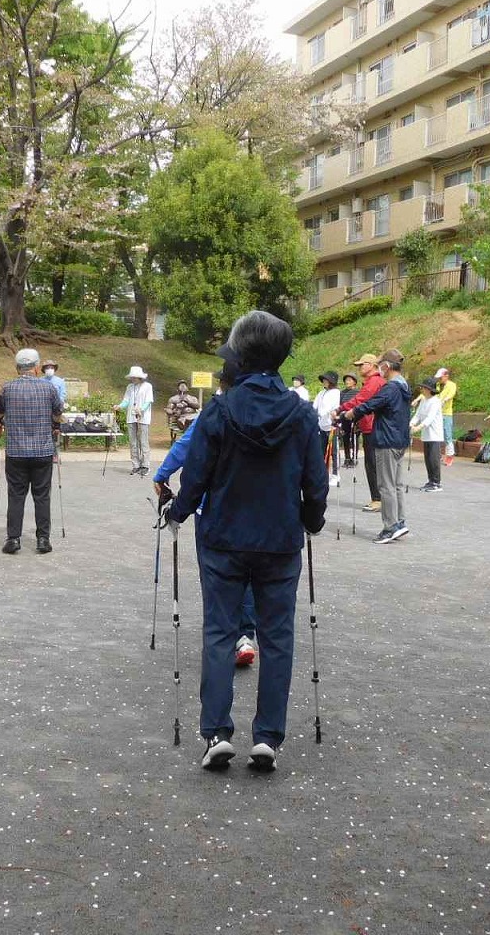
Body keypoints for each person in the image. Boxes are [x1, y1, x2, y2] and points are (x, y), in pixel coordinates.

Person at [166, 310, 327, 773]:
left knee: (219, 631)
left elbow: (196, 477)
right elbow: (315, 482)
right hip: (279, 538)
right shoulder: (300, 413)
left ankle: (216, 732)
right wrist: (312, 521)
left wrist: (176, 511)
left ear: (239, 356)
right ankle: (268, 738)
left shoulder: (219, 409)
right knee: (278, 637)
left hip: (222, 537)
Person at [154, 367, 258, 668]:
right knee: (248, 575)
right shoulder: (269, 413)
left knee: (215, 573)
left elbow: (185, 447)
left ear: (222, 387)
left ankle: (221, 635)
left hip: (213, 508)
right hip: (254, 507)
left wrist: (162, 475)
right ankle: (245, 636)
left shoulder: (213, 414)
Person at [0, 348, 64, 555]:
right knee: (42, 495)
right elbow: (58, 413)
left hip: (16, 451)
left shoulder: (7, 388)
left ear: (18, 368)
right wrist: (54, 425)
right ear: (36, 367)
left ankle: (13, 539)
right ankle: (43, 539)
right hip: (42, 451)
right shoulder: (48, 388)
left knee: (16, 495)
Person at [345, 351, 411, 544]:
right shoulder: (404, 385)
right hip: (399, 440)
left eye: (380, 364)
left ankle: (390, 527)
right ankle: (399, 522)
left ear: (387, 366)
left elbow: (372, 403)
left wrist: (352, 413)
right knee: (396, 485)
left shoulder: (390, 388)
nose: (379, 368)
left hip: (387, 440)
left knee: (386, 486)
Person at [338, 353, 387, 512]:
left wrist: (340, 409)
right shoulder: (373, 381)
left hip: (372, 427)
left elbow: (360, 400)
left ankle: (377, 499)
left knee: (372, 464)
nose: (359, 368)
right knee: (372, 463)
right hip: (369, 426)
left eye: (362, 364)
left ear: (372, 365)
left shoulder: (374, 382)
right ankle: (378, 498)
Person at [118, 366, 154, 476]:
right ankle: (136, 465)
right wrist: (119, 406)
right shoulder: (130, 387)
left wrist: (141, 409)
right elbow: (126, 400)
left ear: (140, 377)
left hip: (143, 417)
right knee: (133, 442)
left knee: (143, 441)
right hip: (131, 417)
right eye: (131, 377)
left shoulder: (147, 386)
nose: (132, 379)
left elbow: (148, 401)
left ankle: (145, 465)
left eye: (134, 377)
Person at [410, 377, 444, 493]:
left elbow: (429, 418)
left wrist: (418, 428)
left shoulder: (436, 401)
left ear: (429, 389)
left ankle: (436, 482)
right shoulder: (424, 400)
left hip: (434, 435)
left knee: (433, 459)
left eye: (424, 388)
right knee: (428, 459)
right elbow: (418, 415)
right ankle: (431, 480)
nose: (422, 389)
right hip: (426, 435)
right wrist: (411, 424)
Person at [313, 371, 341, 485]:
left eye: (326, 380)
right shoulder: (321, 392)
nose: (324, 381)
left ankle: (336, 474)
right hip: (322, 425)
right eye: (323, 379)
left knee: (333, 451)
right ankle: (323, 473)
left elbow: (328, 408)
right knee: (321, 450)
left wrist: (320, 413)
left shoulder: (336, 392)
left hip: (332, 426)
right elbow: (315, 405)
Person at [434, 367, 457, 466]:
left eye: (441, 377)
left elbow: (451, 394)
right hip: (438, 413)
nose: (439, 379)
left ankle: (450, 456)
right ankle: (437, 455)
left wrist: (445, 400)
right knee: (437, 435)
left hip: (447, 413)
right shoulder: (438, 385)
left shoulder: (451, 385)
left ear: (446, 376)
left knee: (448, 435)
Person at [338, 374, 359, 468]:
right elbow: (340, 405)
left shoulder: (358, 392)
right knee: (345, 437)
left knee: (355, 437)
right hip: (344, 417)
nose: (347, 382)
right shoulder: (342, 393)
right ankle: (347, 458)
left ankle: (355, 457)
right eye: (346, 380)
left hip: (355, 417)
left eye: (349, 380)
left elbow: (359, 404)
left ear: (354, 381)